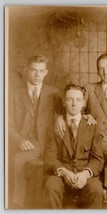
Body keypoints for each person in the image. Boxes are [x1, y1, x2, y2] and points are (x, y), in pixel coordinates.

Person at [55, 53, 107, 209]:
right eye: (101, 69)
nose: (105, 72)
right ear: (97, 71)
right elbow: (72, 104)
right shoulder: (90, 88)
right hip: (94, 140)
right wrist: (59, 117)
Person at [9, 54, 61, 208]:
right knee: (17, 161)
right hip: (26, 143)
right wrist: (20, 140)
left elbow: (67, 113)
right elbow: (7, 124)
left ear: (46, 72)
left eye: (41, 70)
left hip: (49, 144)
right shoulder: (13, 94)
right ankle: (16, 206)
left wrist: (60, 118)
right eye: (33, 70)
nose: (37, 75)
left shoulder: (54, 93)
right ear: (26, 70)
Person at [43, 83, 104, 209]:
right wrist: (64, 172)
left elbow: (98, 159)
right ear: (64, 102)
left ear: (83, 103)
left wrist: (85, 174)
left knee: (96, 189)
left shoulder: (92, 127)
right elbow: (49, 158)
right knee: (51, 186)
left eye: (78, 100)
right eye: (70, 99)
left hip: (84, 173)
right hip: (61, 173)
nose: (74, 104)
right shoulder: (55, 126)